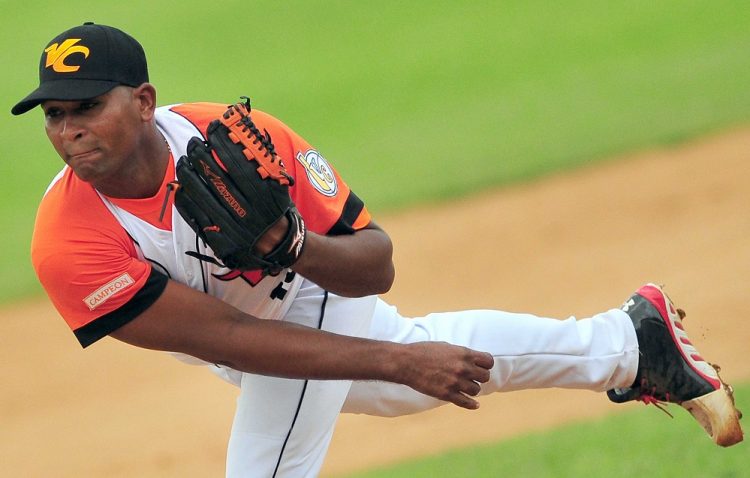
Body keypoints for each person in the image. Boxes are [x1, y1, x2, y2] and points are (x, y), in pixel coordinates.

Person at [13, 22, 742, 477]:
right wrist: (398, 360)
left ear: (142, 100)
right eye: (54, 114)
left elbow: (376, 262)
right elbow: (233, 339)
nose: (69, 129)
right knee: (401, 378)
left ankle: (627, 347)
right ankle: (630, 344)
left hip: (306, 297)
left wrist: (291, 243)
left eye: (87, 107)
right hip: (247, 340)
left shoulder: (240, 139)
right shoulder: (68, 243)